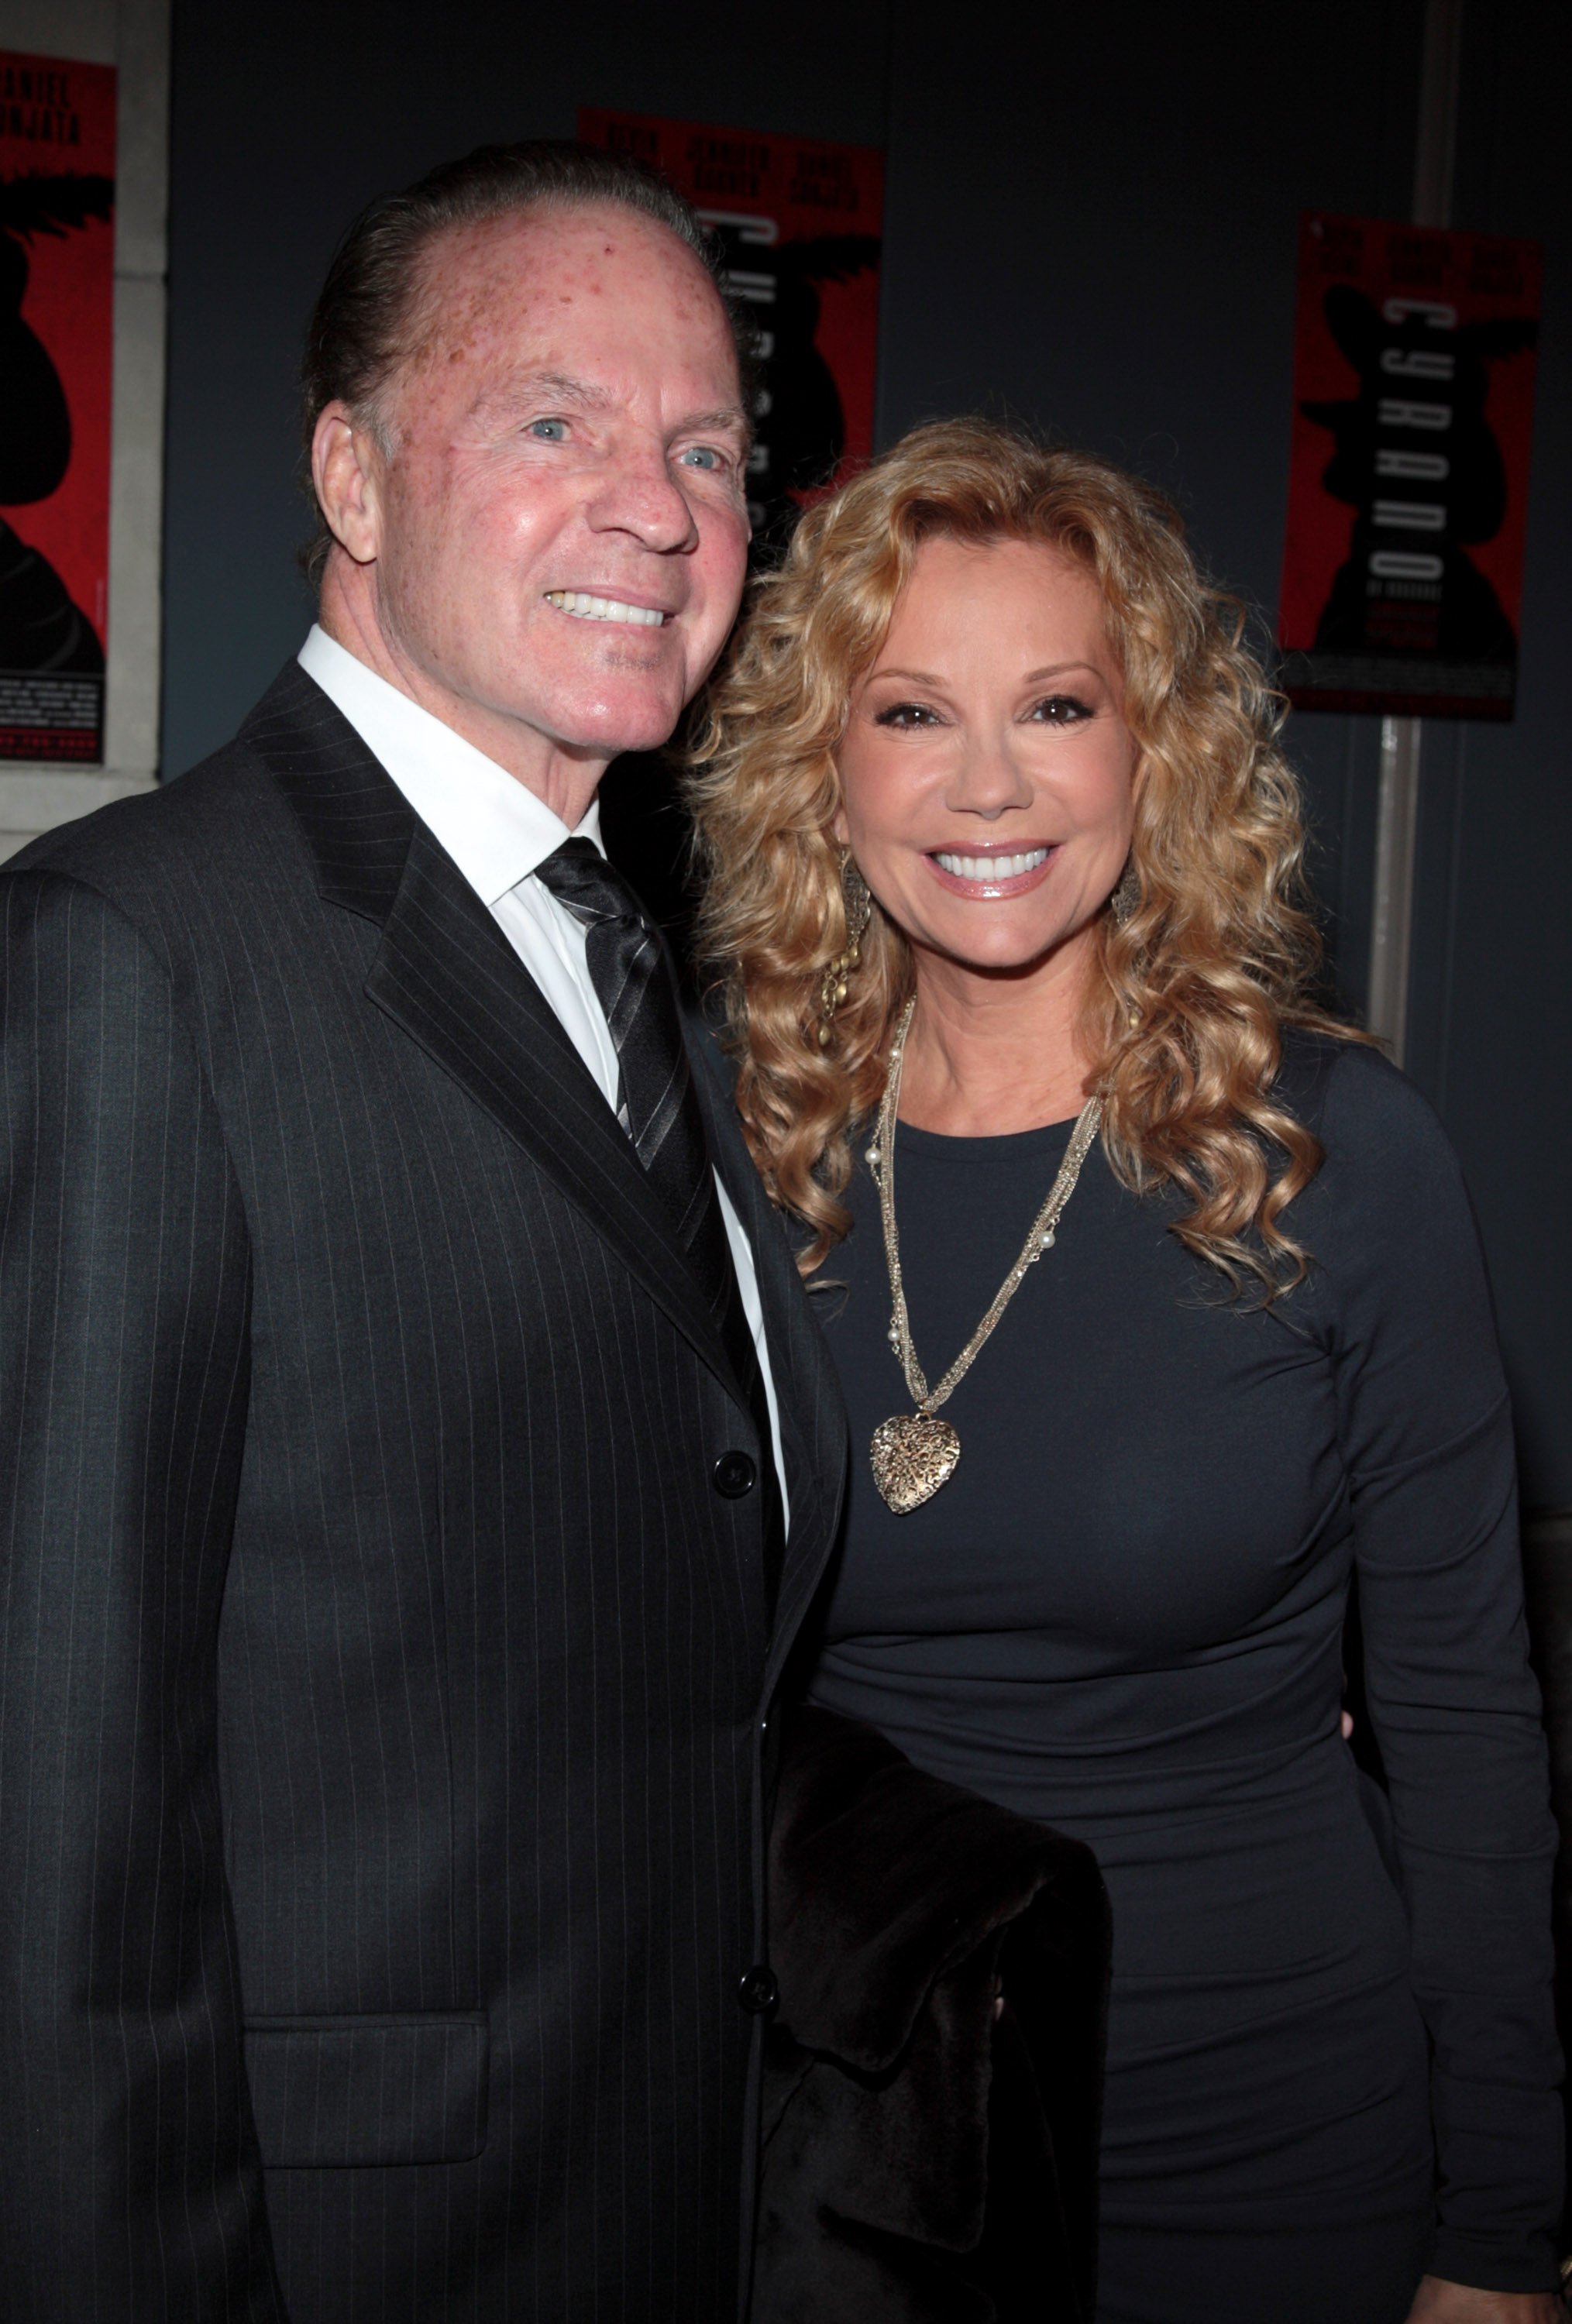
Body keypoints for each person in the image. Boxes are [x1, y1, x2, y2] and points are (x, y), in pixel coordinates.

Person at [0, 143, 848, 2322]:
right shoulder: (133, 961)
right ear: (352, 479)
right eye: (552, 422)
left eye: (705, 452)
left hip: (673, 2197)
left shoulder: (640, 963)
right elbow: (58, 1835)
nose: (659, 511)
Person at [687, 417, 1564, 2324]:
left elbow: (1471, 1734)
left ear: (1150, 753)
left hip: (1259, 2122)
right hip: (848, 2132)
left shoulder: (1336, 1155)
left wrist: (1499, 2235)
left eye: (1058, 704)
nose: (987, 785)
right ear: (818, 776)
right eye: (909, 712)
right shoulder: (719, 1147)